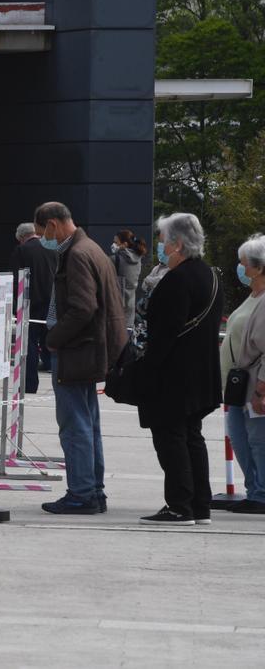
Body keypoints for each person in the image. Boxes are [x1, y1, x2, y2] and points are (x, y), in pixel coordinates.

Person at [129, 214, 222, 525]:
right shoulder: (209, 275)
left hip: (174, 377)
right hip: (201, 373)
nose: (159, 246)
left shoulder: (177, 279)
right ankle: (200, 505)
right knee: (192, 437)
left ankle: (180, 505)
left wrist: (144, 371)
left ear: (177, 244)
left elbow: (163, 335)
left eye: (162, 240)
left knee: (171, 439)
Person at [36, 201, 126, 515]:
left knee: (74, 425)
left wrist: (53, 338)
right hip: (90, 349)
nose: (43, 240)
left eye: (42, 233)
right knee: (88, 424)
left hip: (76, 350)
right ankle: (93, 491)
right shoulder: (93, 249)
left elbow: (83, 308)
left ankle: (82, 492)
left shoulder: (76, 255)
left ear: (53, 225)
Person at [223, 234, 265, 514]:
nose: (240, 268)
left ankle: (260, 493)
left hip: (256, 385)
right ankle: (255, 489)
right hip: (239, 385)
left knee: (256, 439)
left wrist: (262, 388)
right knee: (240, 437)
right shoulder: (252, 296)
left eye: (244, 263)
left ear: (258, 267)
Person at [9, 222, 57, 391]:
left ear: (22, 238)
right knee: (51, 339)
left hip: (30, 302)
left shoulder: (21, 251)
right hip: (52, 302)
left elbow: (17, 280)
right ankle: (55, 376)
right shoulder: (53, 248)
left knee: (28, 343)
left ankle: (30, 384)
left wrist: (16, 306)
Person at [110, 229, 147, 325]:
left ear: (125, 244)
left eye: (116, 242)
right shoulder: (138, 259)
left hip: (117, 306)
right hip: (130, 305)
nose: (113, 244)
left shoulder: (115, 259)